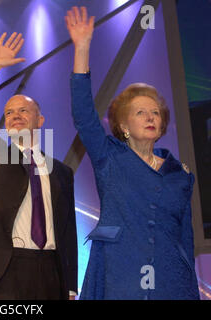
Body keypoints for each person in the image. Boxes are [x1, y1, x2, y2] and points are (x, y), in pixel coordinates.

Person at [66, 6, 200, 299]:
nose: (151, 117)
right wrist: (82, 49)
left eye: (155, 113)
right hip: (119, 274)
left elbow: (186, 239)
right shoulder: (109, 157)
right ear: (123, 125)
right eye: (141, 112)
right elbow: (83, 115)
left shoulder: (180, 174)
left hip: (171, 280)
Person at [0, 32, 78, 300]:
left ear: (40, 119)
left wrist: (70, 286)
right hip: (6, 270)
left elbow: (68, 230)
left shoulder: (62, 172)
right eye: (9, 112)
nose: (15, 116)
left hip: (51, 271)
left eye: (24, 110)